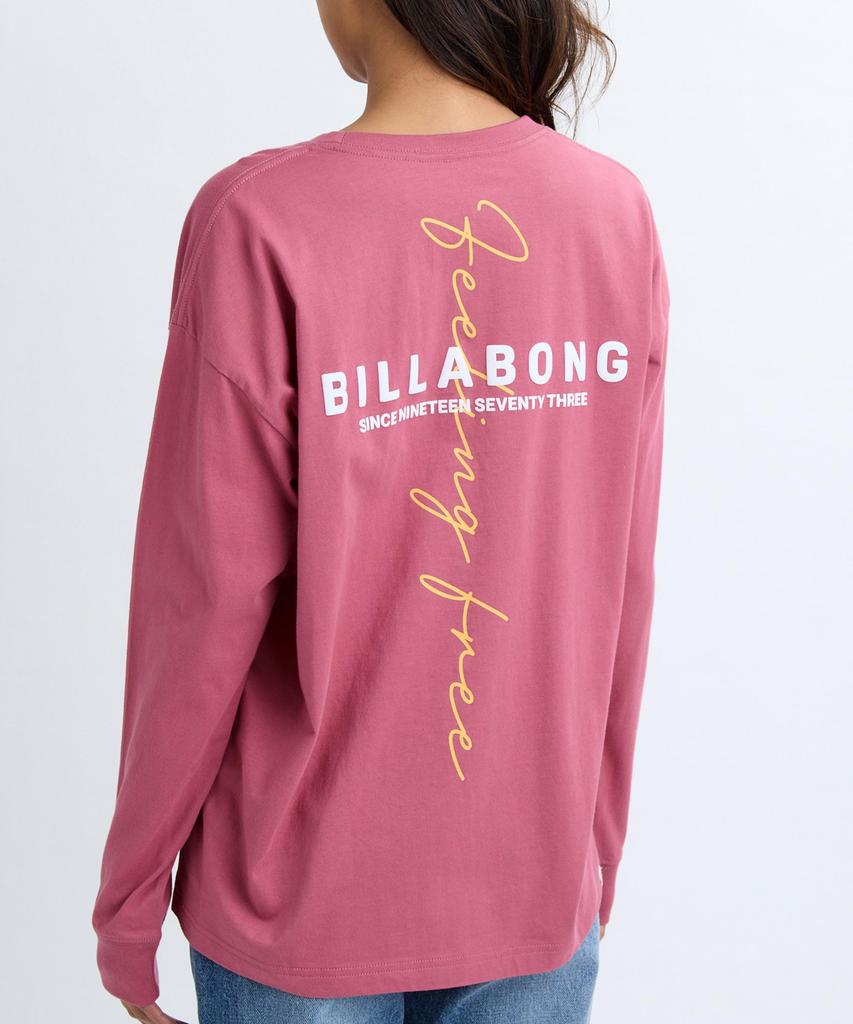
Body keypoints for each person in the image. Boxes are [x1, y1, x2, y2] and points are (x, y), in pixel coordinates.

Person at [91, 1, 669, 1021]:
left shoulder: (261, 219)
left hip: (296, 906)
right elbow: (619, 578)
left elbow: (202, 604)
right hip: (534, 880)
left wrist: (130, 902)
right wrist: (593, 852)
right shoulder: (609, 211)